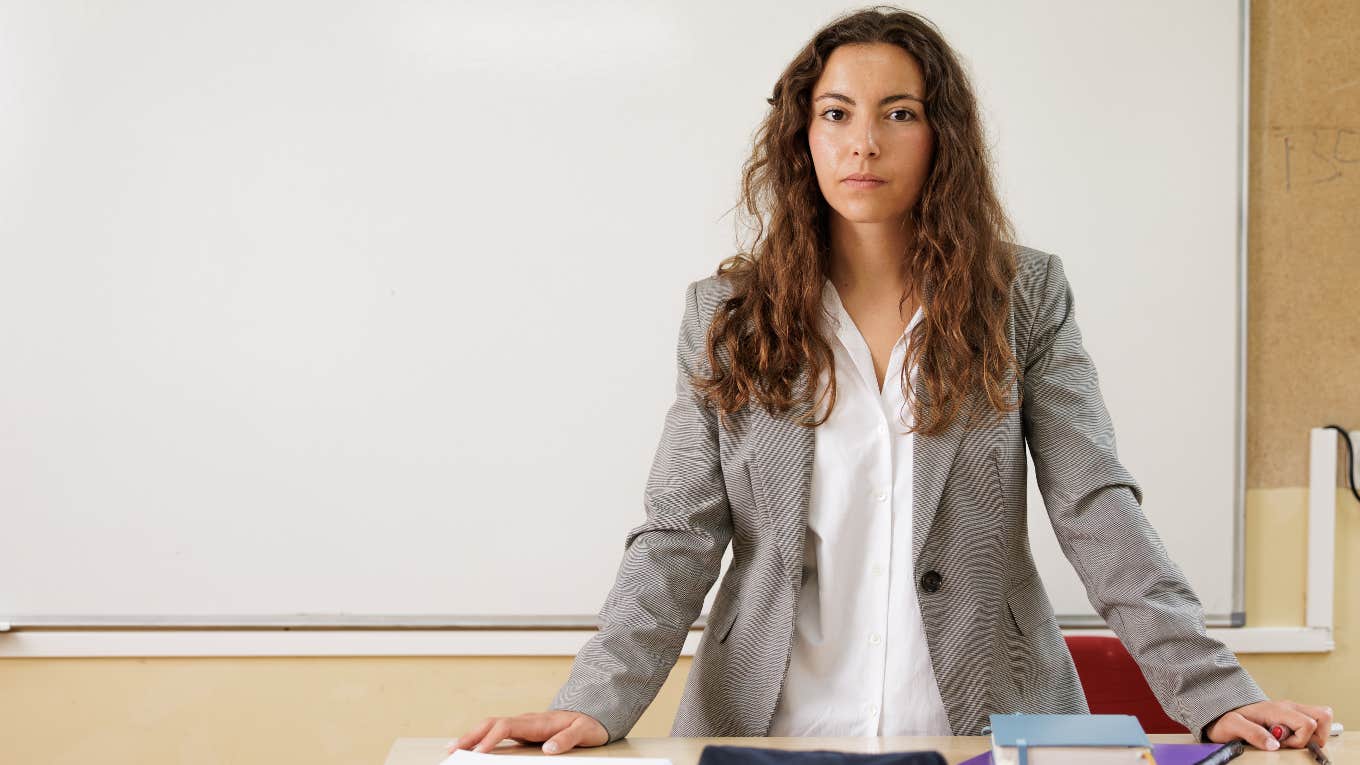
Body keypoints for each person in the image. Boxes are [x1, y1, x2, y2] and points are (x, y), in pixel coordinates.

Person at [450, 5, 1332, 757]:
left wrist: (1212, 688)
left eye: (899, 113)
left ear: (940, 133)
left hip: (978, 732)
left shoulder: (1022, 296)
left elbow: (1094, 503)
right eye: (836, 113)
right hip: (768, 733)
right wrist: (593, 700)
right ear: (802, 135)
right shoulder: (728, 313)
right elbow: (678, 532)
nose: (863, 141)